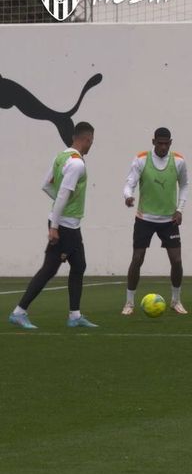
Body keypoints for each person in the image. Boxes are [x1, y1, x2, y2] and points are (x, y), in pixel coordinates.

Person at [8, 122, 99, 330]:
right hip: (65, 226)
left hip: (67, 224)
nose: (92, 144)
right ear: (86, 139)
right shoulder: (77, 164)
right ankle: (19, 312)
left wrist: (58, 212)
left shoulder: (61, 157)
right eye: (91, 140)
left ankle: (74, 315)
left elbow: (46, 185)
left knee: (78, 265)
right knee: (50, 269)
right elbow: (63, 194)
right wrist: (55, 226)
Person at [121, 127, 190, 316]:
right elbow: (130, 182)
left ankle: (176, 301)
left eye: (166, 143)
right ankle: (129, 303)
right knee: (137, 259)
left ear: (171, 143)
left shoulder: (178, 161)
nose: (163, 146)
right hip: (145, 218)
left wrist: (179, 210)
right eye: (159, 143)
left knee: (176, 260)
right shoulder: (142, 159)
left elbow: (184, 185)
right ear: (153, 142)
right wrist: (128, 196)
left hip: (169, 219)